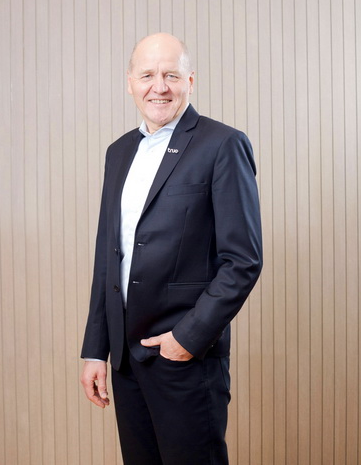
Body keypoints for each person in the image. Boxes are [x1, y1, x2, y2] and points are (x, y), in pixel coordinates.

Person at [80, 33, 262, 465]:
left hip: (185, 359)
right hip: (126, 363)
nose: (158, 87)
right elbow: (109, 257)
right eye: (147, 75)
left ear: (190, 81)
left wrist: (187, 339)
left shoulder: (223, 144)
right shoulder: (118, 152)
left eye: (171, 75)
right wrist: (95, 350)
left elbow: (242, 261)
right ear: (130, 82)